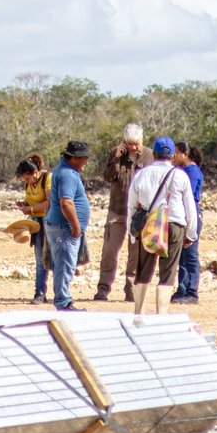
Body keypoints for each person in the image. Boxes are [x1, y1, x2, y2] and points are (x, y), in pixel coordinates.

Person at [128, 137, 197, 318]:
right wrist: (191, 233)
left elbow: (132, 206)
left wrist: (132, 232)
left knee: (143, 269)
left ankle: (139, 312)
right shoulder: (180, 175)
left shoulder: (141, 174)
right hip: (174, 223)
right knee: (168, 271)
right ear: (172, 155)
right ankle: (162, 313)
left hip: (149, 224)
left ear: (154, 153)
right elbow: (190, 206)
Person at [94, 123, 144, 301]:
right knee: (109, 250)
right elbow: (108, 177)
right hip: (117, 210)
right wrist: (115, 159)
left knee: (135, 252)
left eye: (136, 143)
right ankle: (103, 287)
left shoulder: (149, 155)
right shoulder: (116, 152)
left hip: (139, 213)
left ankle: (131, 289)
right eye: (130, 143)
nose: (133, 147)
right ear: (124, 141)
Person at [42, 141, 92, 312]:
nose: (86, 161)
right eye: (83, 157)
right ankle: (63, 302)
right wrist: (75, 225)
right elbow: (66, 203)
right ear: (73, 158)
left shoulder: (68, 172)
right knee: (64, 265)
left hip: (63, 227)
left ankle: (63, 300)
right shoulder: (67, 175)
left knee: (66, 264)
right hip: (64, 228)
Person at [170, 142, 205, 304]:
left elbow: (188, 196)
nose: (173, 156)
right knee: (183, 254)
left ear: (185, 154)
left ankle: (191, 290)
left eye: (176, 153)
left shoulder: (191, 172)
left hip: (191, 213)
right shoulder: (182, 171)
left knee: (190, 254)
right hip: (184, 213)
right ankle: (182, 289)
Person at [15, 155, 52, 304]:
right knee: (39, 259)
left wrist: (30, 208)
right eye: (25, 180)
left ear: (36, 172)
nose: (28, 182)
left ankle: (62, 293)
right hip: (37, 224)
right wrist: (24, 206)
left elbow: (49, 202)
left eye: (29, 178)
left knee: (56, 259)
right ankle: (40, 292)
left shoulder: (47, 178)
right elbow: (31, 200)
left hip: (51, 223)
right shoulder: (28, 184)